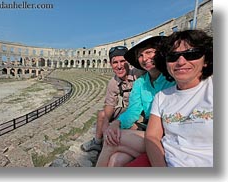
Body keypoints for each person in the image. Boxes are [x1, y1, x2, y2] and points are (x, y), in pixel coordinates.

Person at [96, 35, 175, 167]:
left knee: (111, 143)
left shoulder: (172, 78)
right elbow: (133, 110)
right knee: (116, 160)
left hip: (166, 136)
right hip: (150, 131)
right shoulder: (140, 83)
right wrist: (116, 123)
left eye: (149, 52)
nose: (145, 58)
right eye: (140, 55)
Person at [145, 29, 213, 167]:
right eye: (172, 56)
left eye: (192, 54)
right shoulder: (161, 97)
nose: (181, 61)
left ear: (205, 60)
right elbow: (152, 137)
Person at [81, 46, 144, 152]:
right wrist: (105, 123)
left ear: (128, 62)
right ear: (110, 64)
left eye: (122, 61)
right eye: (115, 62)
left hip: (140, 110)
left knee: (131, 126)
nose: (119, 66)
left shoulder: (138, 73)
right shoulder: (113, 82)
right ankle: (97, 141)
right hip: (127, 109)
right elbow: (110, 104)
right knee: (102, 114)